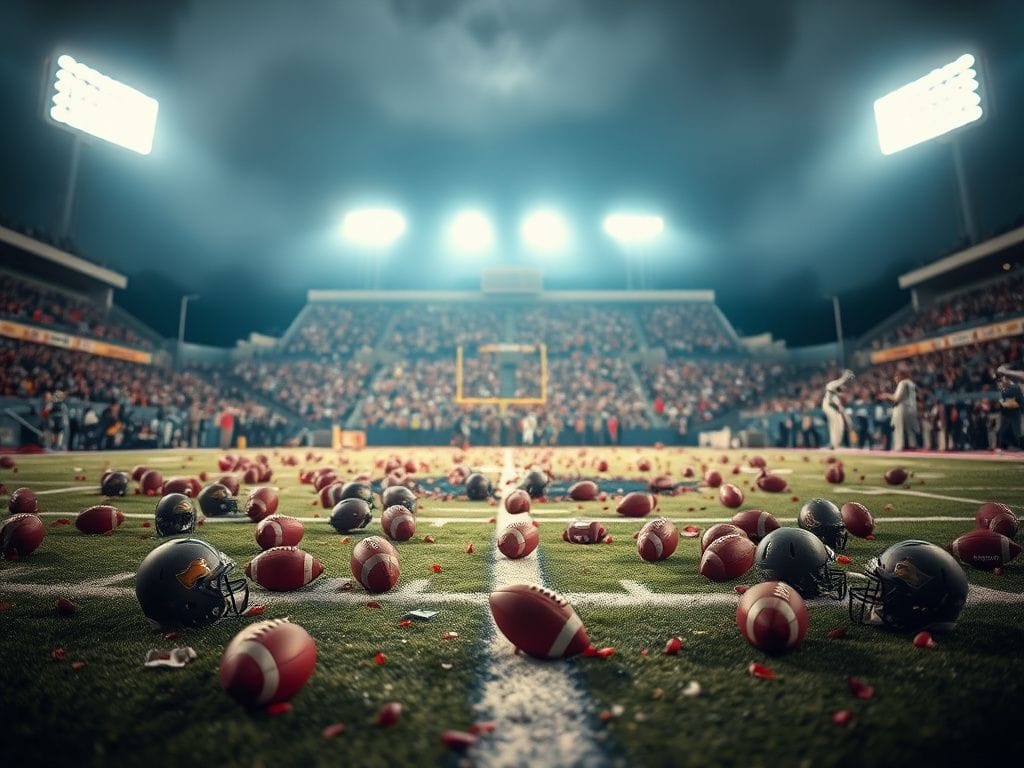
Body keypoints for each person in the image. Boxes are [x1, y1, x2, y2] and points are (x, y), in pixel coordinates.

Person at [881, 364, 919, 451]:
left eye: (896, 376)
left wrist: (886, 395)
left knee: (898, 428)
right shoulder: (911, 383)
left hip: (901, 409)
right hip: (911, 409)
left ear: (900, 376)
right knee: (910, 430)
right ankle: (912, 445)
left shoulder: (902, 383)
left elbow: (896, 398)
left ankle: (899, 446)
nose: (895, 378)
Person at [822, 369, 855, 449]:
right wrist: (845, 377)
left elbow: (841, 389)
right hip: (829, 405)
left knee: (840, 425)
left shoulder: (837, 391)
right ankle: (833, 444)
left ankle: (835, 444)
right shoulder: (831, 384)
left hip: (835, 407)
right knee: (835, 425)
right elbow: (838, 383)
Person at [995, 365, 1022, 449]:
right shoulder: (1005, 388)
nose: (1002, 381)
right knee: (1002, 430)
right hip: (1007, 413)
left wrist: (1005, 402)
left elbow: (1018, 401)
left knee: (1017, 432)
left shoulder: (1015, 387)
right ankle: (1002, 446)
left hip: (1015, 412)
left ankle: (1019, 446)